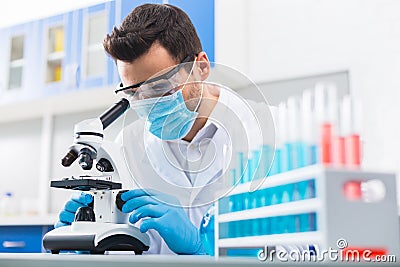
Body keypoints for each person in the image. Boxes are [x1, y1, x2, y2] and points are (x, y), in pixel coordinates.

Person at [55, 3, 270, 255]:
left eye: (158, 88)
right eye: (134, 92)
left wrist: (202, 251)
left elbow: (297, 247)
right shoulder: (128, 145)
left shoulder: (263, 129)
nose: (148, 104)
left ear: (200, 67)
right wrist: (86, 248)